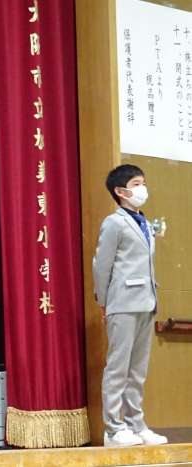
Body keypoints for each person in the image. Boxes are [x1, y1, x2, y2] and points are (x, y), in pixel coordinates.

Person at [93, 164, 168, 447]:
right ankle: (114, 428)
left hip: (147, 301)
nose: (142, 188)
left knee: (137, 370)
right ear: (120, 191)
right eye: (136, 184)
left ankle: (137, 424)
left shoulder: (144, 222)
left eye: (143, 182)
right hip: (122, 302)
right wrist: (103, 301)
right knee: (118, 367)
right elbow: (102, 265)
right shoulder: (114, 223)